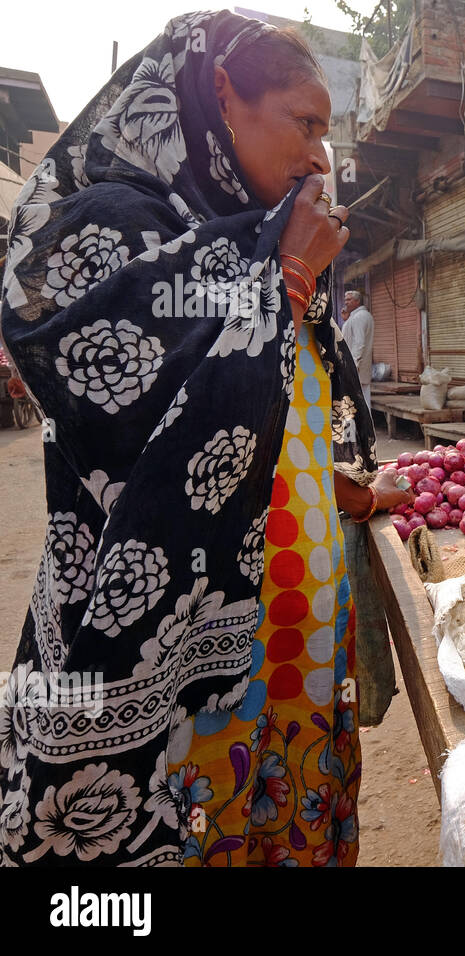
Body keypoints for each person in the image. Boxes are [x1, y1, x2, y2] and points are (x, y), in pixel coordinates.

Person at [0, 11, 412, 867]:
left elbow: (281, 418)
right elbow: (136, 428)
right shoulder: (112, 221)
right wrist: (286, 276)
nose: (316, 157)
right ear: (222, 92)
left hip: (290, 623)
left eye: (325, 135)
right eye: (304, 124)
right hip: (175, 643)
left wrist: (339, 487)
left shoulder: (261, 230)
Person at [341, 288, 374, 407]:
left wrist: (352, 365)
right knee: (362, 399)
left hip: (356, 366)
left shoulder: (359, 317)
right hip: (359, 366)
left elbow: (359, 343)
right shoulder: (359, 316)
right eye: (345, 300)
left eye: (349, 300)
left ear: (357, 301)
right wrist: (346, 320)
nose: (346, 302)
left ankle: (360, 425)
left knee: (357, 402)